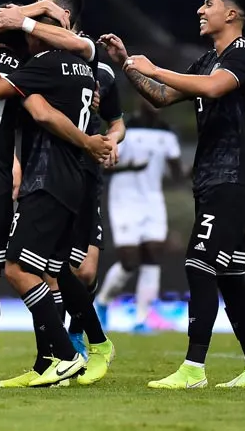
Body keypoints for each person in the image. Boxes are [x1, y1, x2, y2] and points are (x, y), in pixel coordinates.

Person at [101, 0, 245, 389]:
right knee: (230, 275)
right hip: (212, 178)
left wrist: (156, 67)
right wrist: (128, 64)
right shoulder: (205, 60)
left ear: (231, 14)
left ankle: (193, 369)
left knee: (199, 264)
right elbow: (161, 96)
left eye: (209, 4)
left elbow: (214, 88)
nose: (201, 9)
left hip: (234, 176)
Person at [0, 16, 114, 387]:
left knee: (17, 269)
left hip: (47, 179)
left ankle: (68, 356)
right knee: (51, 273)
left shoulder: (43, 65)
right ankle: (51, 362)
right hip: (72, 180)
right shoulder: (85, 68)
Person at [97, 98, 183, 333]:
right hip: (124, 200)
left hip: (153, 201)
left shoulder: (167, 135)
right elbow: (104, 164)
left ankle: (142, 319)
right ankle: (103, 301)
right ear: (141, 101)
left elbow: (177, 174)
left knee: (153, 256)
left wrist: (192, 169)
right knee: (129, 261)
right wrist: (130, 168)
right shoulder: (124, 129)